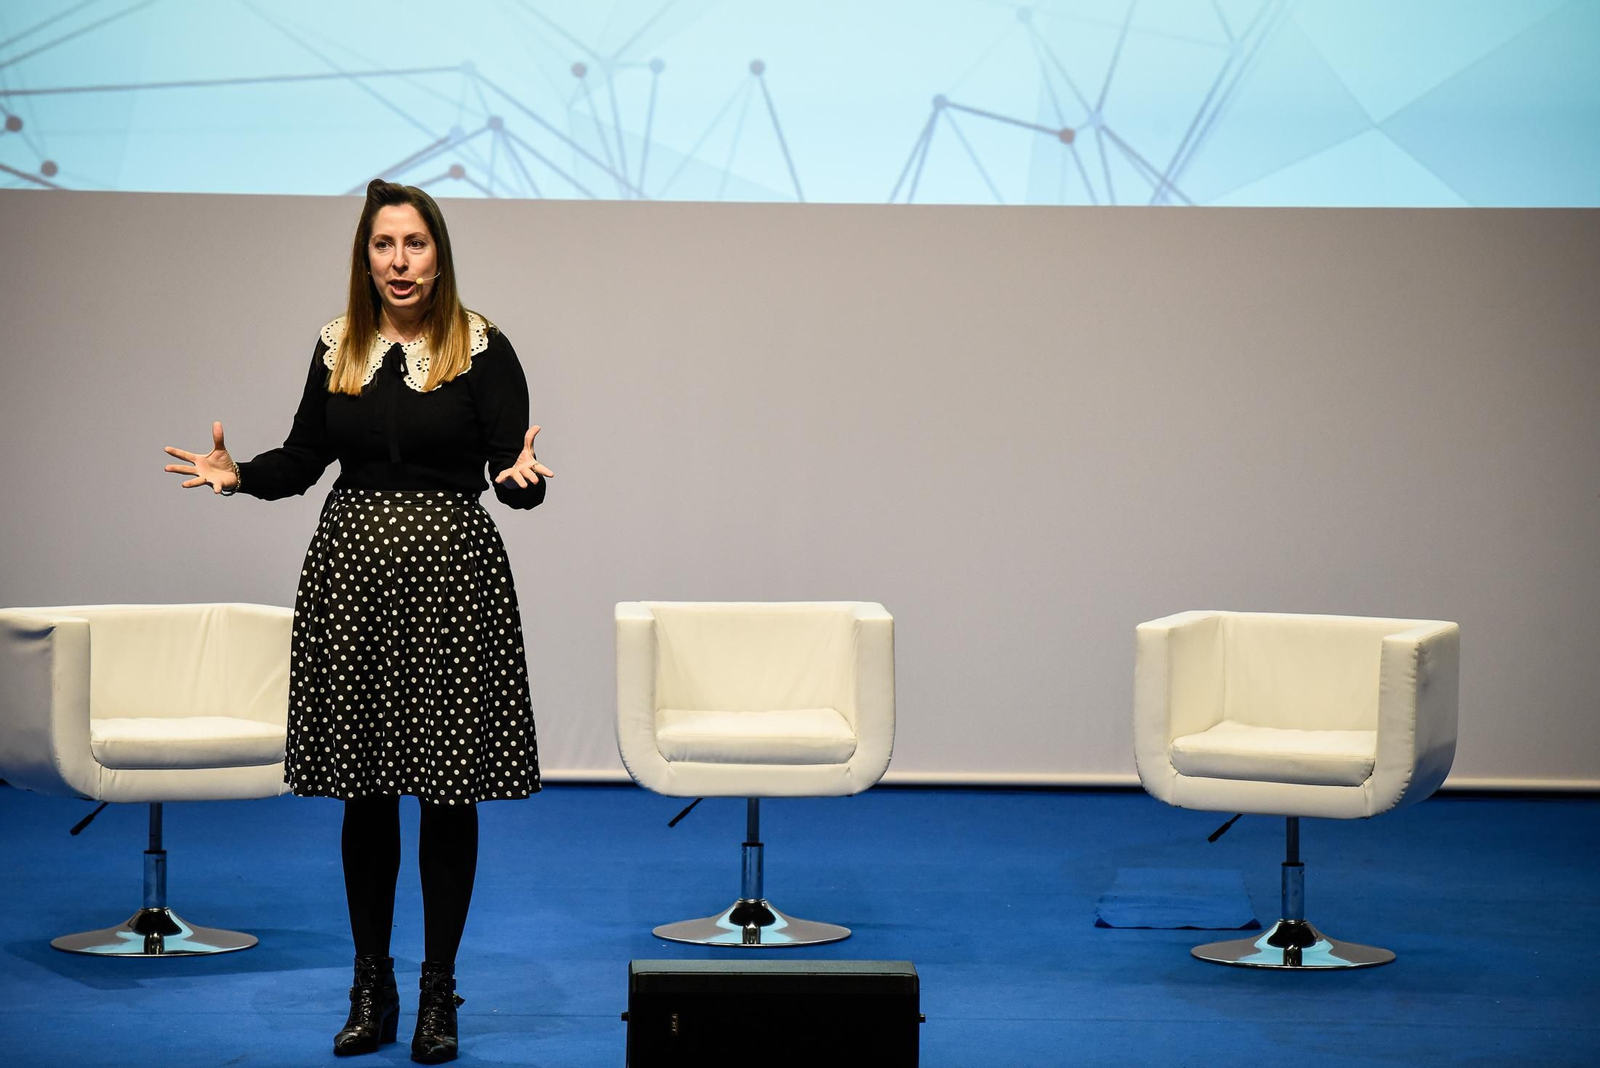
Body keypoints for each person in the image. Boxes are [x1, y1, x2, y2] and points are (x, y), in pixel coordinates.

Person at [163, 179, 553, 1064]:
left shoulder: (483, 348)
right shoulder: (337, 344)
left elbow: (508, 470)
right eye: (384, 246)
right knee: (367, 789)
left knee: (449, 790)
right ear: (365, 257)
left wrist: (523, 484)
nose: (400, 262)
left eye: (415, 244)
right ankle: (369, 984)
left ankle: (437, 991)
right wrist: (242, 475)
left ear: (439, 253)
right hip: (353, 587)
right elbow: (306, 458)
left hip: (455, 587)